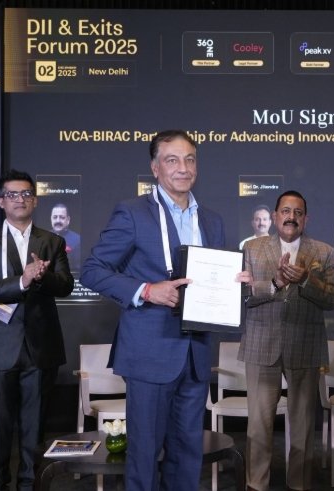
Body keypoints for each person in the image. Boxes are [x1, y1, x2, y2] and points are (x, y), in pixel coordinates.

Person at [80, 130, 247, 491]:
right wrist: (146, 290)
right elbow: (92, 270)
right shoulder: (133, 212)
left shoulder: (212, 220)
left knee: (188, 454)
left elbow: (210, 279)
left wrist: (234, 283)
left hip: (196, 351)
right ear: (155, 168)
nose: (183, 168)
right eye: (172, 160)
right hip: (149, 351)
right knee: (144, 454)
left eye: (189, 159)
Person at [0, 169, 74, 491]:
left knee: (34, 430)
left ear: (35, 200)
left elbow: (66, 286)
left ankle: (30, 486)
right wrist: (22, 280)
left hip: (40, 348)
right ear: (1, 201)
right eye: (12, 195)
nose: (20, 199)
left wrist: (42, 276)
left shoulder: (52, 241)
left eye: (26, 193)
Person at [240, 190, 334, 491]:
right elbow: (242, 296)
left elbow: (333, 299)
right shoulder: (252, 249)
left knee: (303, 427)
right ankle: (256, 485)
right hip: (261, 345)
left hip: (305, 346)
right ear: (275, 217)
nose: (291, 217)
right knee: (258, 426)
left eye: (298, 212)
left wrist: (306, 280)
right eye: (285, 211)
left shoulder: (324, 252)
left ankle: (299, 484)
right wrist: (276, 282)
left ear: (306, 219)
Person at [50, 202, 82, 271]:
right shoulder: (43, 238)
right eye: (55, 217)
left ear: (68, 220)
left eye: (62, 217)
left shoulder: (78, 240)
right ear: (51, 219)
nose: (58, 221)